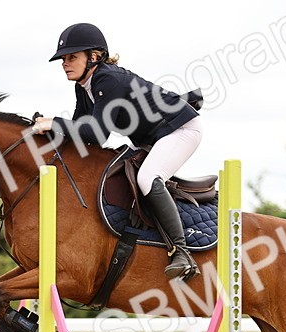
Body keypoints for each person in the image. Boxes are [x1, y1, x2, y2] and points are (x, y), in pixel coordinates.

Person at [32, 23, 201, 282]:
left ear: (95, 56)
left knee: (147, 178)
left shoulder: (107, 79)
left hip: (180, 130)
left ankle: (182, 252)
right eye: (63, 59)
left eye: (72, 57)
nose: (65, 63)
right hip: (150, 137)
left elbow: (97, 134)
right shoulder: (83, 86)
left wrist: (54, 122)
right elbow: (81, 133)